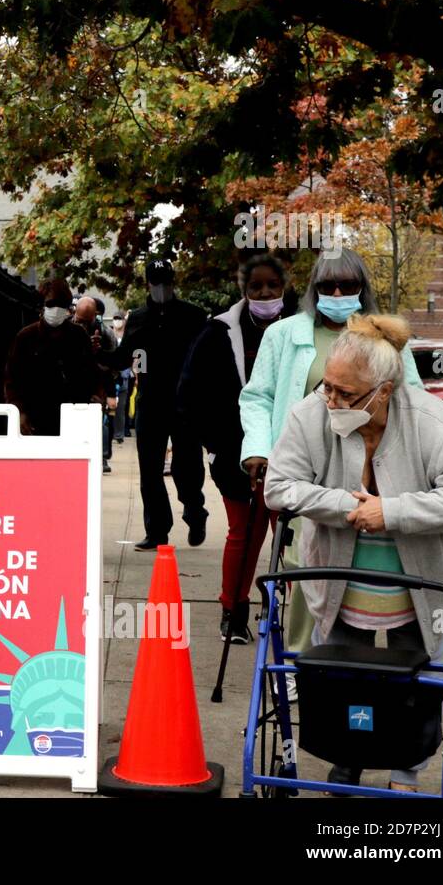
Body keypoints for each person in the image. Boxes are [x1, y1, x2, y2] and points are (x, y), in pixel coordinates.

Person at [264, 314, 443, 791]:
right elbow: (279, 488)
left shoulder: (433, 421)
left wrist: (393, 511)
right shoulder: (311, 415)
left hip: (418, 586)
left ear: (383, 392)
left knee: (418, 686)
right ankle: (348, 761)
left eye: (345, 394)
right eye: (328, 385)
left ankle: (405, 774)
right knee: (345, 681)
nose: (331, 400)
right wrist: (346, 505)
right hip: (341, 582)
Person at [239, 247, 421, 691]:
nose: (337, 293)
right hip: (308, 469)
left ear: (363, 289)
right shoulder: (284, 335)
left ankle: (372, 669)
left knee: (366, 571)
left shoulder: (388, 339)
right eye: (327, 286)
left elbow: (414, 400)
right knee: (306, 565)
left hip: (372, 473)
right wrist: (258, 448)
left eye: (348, 286)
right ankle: (303, 663)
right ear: (313, 290)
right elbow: (257, 396)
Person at [179, 255, 294, 642]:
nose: (265, 294)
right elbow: (190, 395)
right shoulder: (217, 333)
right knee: (243, 535)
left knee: (292, 539)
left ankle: (296, 617)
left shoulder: (298, 330)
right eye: (256, 287)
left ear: (285, 288)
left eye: (272, 287)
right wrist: (215, 446)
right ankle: (233, 610)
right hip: (235, 458)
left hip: (293, 457)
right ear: (243, 290)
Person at [109, 259, 208, 550]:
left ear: (173, 283)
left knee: (187, 465)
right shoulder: (138, 319)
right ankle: (157, 530)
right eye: (156, 282)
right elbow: (124, 358)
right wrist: (100, 355)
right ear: (147, 285)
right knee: (150, 470)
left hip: (184, 403)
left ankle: (194, 510)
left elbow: (206, 358)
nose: (161, 288)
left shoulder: (193, 316)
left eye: (165, 282)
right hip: (150, 403)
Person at [3, 277, 98, 435]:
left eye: (61, 305)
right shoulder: (26, 337)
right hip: (35, 417)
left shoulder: (78, 336)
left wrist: (95, 397)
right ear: (43, 306)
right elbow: (12, 379)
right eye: (51, 304)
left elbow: (90, 372)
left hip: (72, 417)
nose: (56, 309)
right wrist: (20, 412)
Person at [73, 297, 118, 472]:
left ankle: (100, 457)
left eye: (86, 321)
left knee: (99, 424)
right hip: (71, 387)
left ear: (94, 317)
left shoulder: (105, 334)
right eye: (79, 320)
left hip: (96, 388)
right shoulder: (68, 328)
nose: (82, 325)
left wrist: (97, 353)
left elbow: (112, 366)